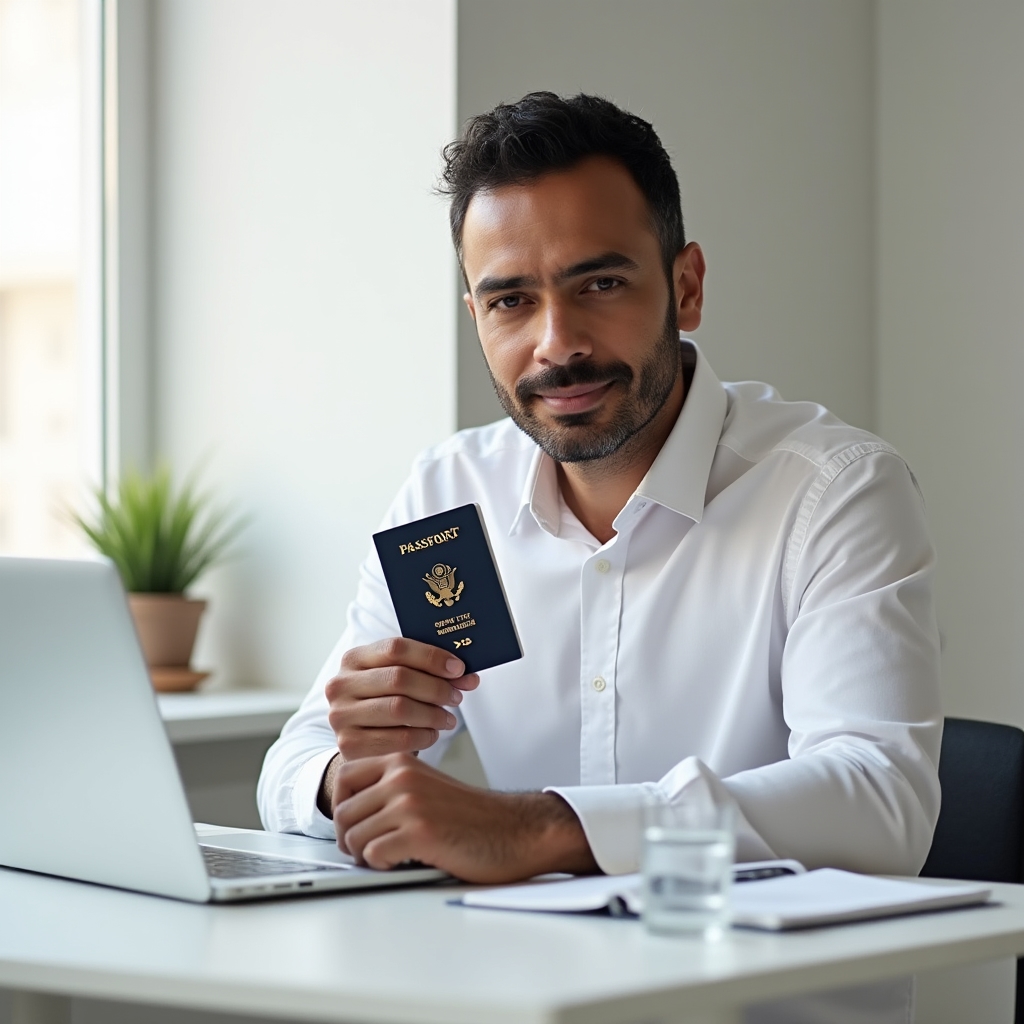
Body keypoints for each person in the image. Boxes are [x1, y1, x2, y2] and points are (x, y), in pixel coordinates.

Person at [258, 92, 941, 1024]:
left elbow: (879, 802)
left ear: (686, 285)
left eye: (600, 284)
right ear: (477, 315)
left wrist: (543, 827)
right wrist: (357, 775)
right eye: (511, 301)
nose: (557, 345)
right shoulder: (449, 499)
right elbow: (296, 761)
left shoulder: (836, 491)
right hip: (515, 1000)